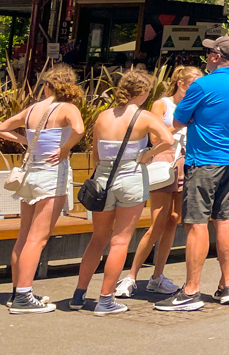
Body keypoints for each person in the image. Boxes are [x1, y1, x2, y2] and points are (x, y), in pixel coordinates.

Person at [154, 34, 229, 313]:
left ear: (216, 56)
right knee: (224, 220)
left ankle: (191, 290)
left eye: (210, 53)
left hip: (204, 160)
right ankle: (226, 285)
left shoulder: (202, 85)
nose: (207, 56)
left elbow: (177, 121)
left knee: (196, 224)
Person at [70, 69, 175, 315]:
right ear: (142, 92)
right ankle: (105, 300)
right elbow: (167, 140)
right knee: (120, 240)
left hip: (104, 180)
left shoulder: (103, 117)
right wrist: (147, 155)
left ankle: (78, 294)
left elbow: (95, 155)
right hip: (131, 180)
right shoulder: (144, 117)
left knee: (98, 238)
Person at [0, 66, 85, 315]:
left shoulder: (32, 109)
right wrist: (67, 148)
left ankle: (19, 290)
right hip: (51, 175)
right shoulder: (67, 108)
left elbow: (3, 126)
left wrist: (25, 141)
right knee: (38, 238)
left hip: (31, 174)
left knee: (24, 235)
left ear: (47, 85)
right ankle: (24, 296)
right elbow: (79, 130)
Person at [115, 65, 202, 298]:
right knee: (157, 222)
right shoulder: (162, 104)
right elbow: (153, 137)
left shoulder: (197, 105)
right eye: (193, 84)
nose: (197, 89)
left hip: (188, 162)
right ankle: (131, 276)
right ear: (181, 83)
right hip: (164, 162)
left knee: (174, 219)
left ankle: (157, 276)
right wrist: (181, 124)